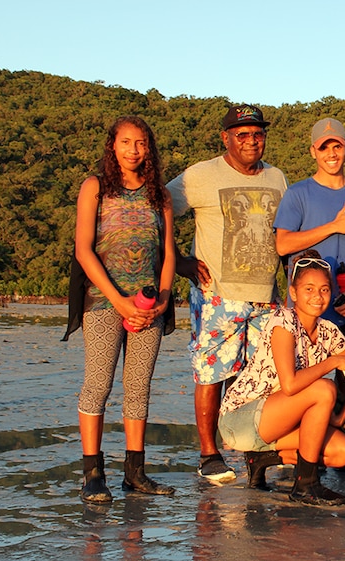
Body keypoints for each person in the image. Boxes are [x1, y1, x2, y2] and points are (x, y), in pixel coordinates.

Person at [168, 104, 289, 483]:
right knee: (211, 373)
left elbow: (282, 235)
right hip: (216, 295)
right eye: (242, 135)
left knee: (259, 377)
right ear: (226, 138)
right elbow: (156, 212)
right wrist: (178, 261)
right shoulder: (200, 176)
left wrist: (288, 289)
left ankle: (255, 452)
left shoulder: (277, 177)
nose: (251, 141)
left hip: (266, 296)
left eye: (258, 134)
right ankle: (209, 454)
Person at [71, 116, 176, 502]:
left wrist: (163, 298)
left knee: (138, 388)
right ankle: (92, 473)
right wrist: (118, 301)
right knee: (98, 385)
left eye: (141, 143)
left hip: (150, 305)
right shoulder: (95, 187)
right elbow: (84, 249)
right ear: (113, 146)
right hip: (103, 302)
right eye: (127, 142)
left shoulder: (158, 193)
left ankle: (135, 472)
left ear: (148, 148)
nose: (134, 149)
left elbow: (167, 253)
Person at [274, 118, 345, 478]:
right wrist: (333, 227)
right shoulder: (298, 194)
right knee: (305, 381)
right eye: (324, 147)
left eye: (337, 146)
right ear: (313, 152)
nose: (332, 153)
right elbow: (283, 244)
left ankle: (342, 450)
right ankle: (300, 454)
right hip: (308, 309)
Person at [217, 252, 345, 505]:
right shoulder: (283, 320)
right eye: (309, 289)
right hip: (241, 419)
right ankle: (306, 485)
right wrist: (332, 362)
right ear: (294, 293)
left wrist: (340, 418)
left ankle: (262, 459)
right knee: (324, 390)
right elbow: (290, 385)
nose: (317, 297)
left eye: (324, 289)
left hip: (279, 423)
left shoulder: (330, 331)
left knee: (344, 452)